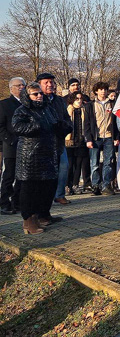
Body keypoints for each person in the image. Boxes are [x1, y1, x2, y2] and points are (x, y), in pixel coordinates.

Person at [14, 82, 70, 234]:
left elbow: (55, 124)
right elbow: (17, 127)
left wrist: (62, 127)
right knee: (30, 188)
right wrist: (36, 125)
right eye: (35, 94)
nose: (39, 96)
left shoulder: (47, 108)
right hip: (30, 157)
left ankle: (42, 215)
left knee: (46, 187)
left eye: (40, 93)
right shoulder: (23, 110)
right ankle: (28, 220)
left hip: (47, 154)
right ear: (28, 96)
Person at [36, 73, 72, 212]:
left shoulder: (59, 101)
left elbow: (66, 118)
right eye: (46, 82)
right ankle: (44, 202)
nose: (50, 85)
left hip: (59, 141)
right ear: (39, 84)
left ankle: (59, 195)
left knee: (64, 167)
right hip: (43, 143)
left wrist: (66, 128)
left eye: (51, 82)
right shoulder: (37, 99)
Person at [85, 82, 119, 197]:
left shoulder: (112, 104)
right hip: (96, 137)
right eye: (100, 89)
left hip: (109, 136)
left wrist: (116, 137)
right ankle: (95, 185)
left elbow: (116, 122)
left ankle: (106, 185)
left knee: (108, 162)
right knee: (94, 163)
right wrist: (88, 139)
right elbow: (87, 124)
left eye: (105, 89)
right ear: (96, 91)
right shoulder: (90, 105)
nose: (103, 91)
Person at [0, 77, 24, 215]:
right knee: (9, 175)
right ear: (11, 88)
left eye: (23, 85)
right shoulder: (4, 104)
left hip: (25, 146)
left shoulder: (28, 104)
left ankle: (17, 202)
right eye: (18, 85)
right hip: (11, 145)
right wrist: (10, 140)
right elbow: (1, 126)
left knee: (21, 176)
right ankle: (4, 203)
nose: (21, 87)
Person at [65, 92, 88, 194]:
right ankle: (67, 185)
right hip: (70, 140)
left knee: (78, 165)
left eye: (80, 99)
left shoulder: (84, 109)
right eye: (77, 99)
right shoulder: (69, 109)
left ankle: (75, 184)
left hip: (81, 140)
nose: (79, 101)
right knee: (69, 165)